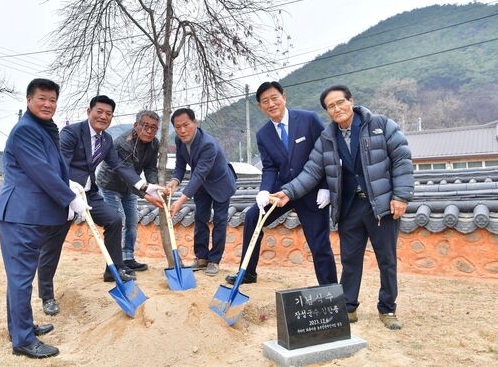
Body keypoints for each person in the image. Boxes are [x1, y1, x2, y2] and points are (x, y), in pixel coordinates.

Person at [270, 84, 414, 330]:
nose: (337, 109)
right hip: (349, 207)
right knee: (350, 260)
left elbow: (401, 158)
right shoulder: (327, 138)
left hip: (380, 205)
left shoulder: (380, 124)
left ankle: (387, 308)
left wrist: (401, 196)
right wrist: (287, 192)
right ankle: (348, 308)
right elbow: (311, 171)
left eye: (340, 103)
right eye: (330, 106)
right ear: (327, 111)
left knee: (387, 260)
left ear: (351, 101)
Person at [36, 95, 164, 316]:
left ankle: (113, 270)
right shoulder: (71, 133)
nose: (103, 116)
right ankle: (47, 296)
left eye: (108, 114)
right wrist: (69, 190)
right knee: (53, 244)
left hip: (89, 193)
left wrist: (144, 186)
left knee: (114, 220)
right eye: (99, 111)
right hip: (64, 193)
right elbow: (60, 165)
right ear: (89, 112)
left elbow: (120, 166)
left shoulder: (106, 140)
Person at [0, 78, 91, 358]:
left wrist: (71, 184)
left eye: (52, 100)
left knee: (20, 276)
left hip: (31, 215)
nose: (48, 104)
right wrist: (69, 197)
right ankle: (23, 341)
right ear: (29, 100)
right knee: (21, 278)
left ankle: (20, 328)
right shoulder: (26, 130)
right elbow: (41, 171)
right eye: (42, 98)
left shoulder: (44, 129)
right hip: (20, 215)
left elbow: (53, 167)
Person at [225, 81, 337, 286]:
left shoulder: (308, 120)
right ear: (260, 106)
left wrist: (327, 187)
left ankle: (329, 288)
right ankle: (248, 272)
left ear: (284, 97)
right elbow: (269, 168)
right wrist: (265, 191)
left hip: (313, 190)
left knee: (319, 242)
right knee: (252, 218)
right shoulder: (263, 134)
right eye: (265, 101)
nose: (271, 104)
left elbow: (328, 152)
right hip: (282, 191)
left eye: (274, 98)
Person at [166, 107, 237, 276]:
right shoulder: (179, 140)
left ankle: (214, 260)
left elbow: (199, 174)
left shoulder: (208, 144)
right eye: (177, 127)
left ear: (195, 123)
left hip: (220, 183)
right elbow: (180, 165)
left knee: (220, 221)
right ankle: (201, 257)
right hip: (202, 187)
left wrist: (180, 201)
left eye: (186, 125)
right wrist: (174, 181)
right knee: (200, 219)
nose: (182, 130)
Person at [96, 110, 161, 272]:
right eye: (145, 126)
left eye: (153, 128)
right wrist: (147, 195)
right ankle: (116, 264)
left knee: (132, 222)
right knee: (117, 221)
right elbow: (128, 174)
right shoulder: (123, 143)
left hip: (130, 188)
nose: (149, 131)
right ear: (136, 125)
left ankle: (128, 258)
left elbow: (151, 168)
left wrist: (155, 187)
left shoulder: (154, 144)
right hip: (110, 185)